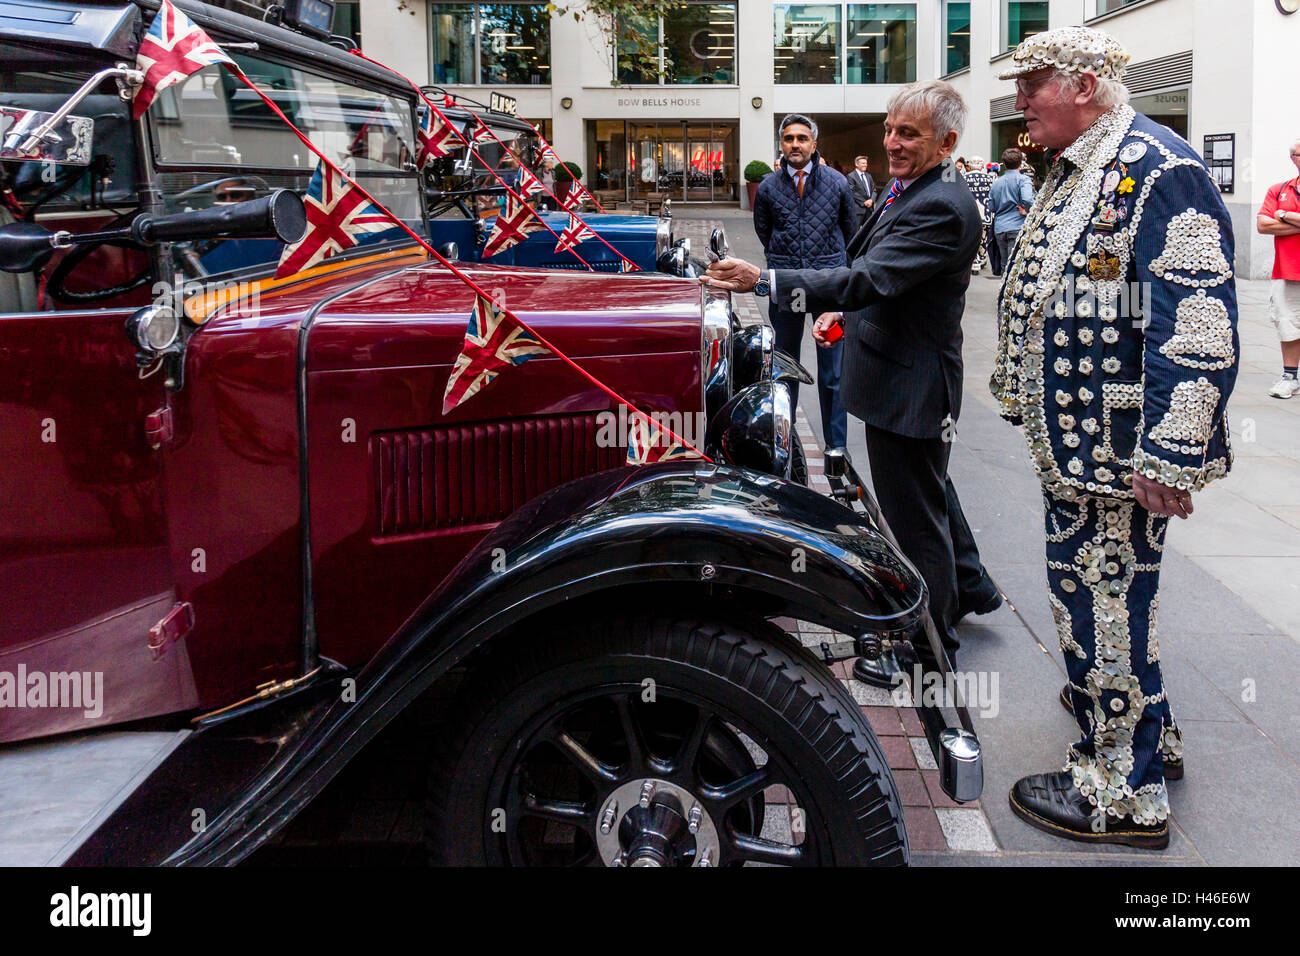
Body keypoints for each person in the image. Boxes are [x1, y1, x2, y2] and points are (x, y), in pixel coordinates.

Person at [990, 26, 1239, 848]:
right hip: (1082, 439)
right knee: (1110, 601)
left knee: (1100, 601)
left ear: (1086, 85)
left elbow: (1197, 321)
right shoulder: (1087, 160)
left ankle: (1121, 792)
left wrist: (1173, 452)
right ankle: (1150, 738)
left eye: (1035, 84)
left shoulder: (1159, 167)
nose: (1022, 100)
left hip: (1117, 449)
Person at [706, 82, 1002, 674]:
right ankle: (972, 589)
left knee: (914, 519)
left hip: (911, 384)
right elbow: (870, 268)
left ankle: (929, 644)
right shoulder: (917, 187)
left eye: (908, 134)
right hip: (901, 372)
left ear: (946, 141)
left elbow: (870, 277)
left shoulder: (942, 203)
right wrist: (842, 305)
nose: (892, 142)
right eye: (890, 129)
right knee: (931, 492)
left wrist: (765, 280)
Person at [751, 113, 855, 453]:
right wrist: (784, 260)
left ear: (814, 144)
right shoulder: (767, 187)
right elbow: (764, 231)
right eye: (789, 138)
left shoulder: (838, 183)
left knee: (834, 371)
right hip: (788, 287)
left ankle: (836, 446)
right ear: (781, 144)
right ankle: (785, 442)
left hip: (829, 287)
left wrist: (843, 284)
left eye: (802, 138)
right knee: (784, 366)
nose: (795, 144)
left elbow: (851, 233)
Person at [1257, 138, 1300, 398]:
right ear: (1293, 158)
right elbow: (1263, 225)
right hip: (1287, 270)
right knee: (1288, 324)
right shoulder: (1279, 189)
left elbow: (1272, 220)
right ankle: (1290, 377)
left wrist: (1283, 215)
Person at [987, 147, 1035, 279]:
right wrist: (1028, 211)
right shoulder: (1023, 180)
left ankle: (1004, 294)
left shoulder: (997, 183)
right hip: (1017, 224)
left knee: (1005, 264)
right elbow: (1027, 199)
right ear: (1021, 163)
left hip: (1000, 227)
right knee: (1016, 265)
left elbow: (991, 207)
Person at [962, 156, 995, 274]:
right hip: (986, 214)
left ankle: (974, 260)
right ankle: (981, 257)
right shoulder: (991, 178)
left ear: (969, 165)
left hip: (969, 213)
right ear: (982, 166)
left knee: (970, 237)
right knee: (983, 237)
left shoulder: (963, 177)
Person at [848, 155, 877, 231]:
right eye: (863, 163)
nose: (865, 165)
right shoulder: (851, 176)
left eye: (866, 163)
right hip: (858, 209)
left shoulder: (869, 176)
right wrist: (864, 202)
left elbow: (874, 190)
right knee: (855, 231)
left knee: (868, 231)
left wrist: (871, 200)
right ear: (856, 164)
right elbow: (852, 191)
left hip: (869, 209)